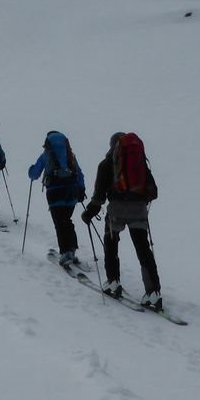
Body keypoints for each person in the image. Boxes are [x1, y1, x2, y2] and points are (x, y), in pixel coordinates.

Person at [80, 132, 163, 310]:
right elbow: (153, 191)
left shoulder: (106, 164)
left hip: (117, 209)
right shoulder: (140, 162)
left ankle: (113, 283)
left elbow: (99, 197)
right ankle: (154, 293)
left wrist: (89, 213)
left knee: (111, 244)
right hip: (139, 210)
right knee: (143, 249)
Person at [28, 130, 85, 267]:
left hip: (55, 192)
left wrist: (31, 170)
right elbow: (79, 173)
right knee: (67, 220)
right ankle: (71, 249)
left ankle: (65, 252)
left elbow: (34, 174)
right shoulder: (70, 155)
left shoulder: (46, 155)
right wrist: (81, 190)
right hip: (71, 192)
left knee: (59, 222)